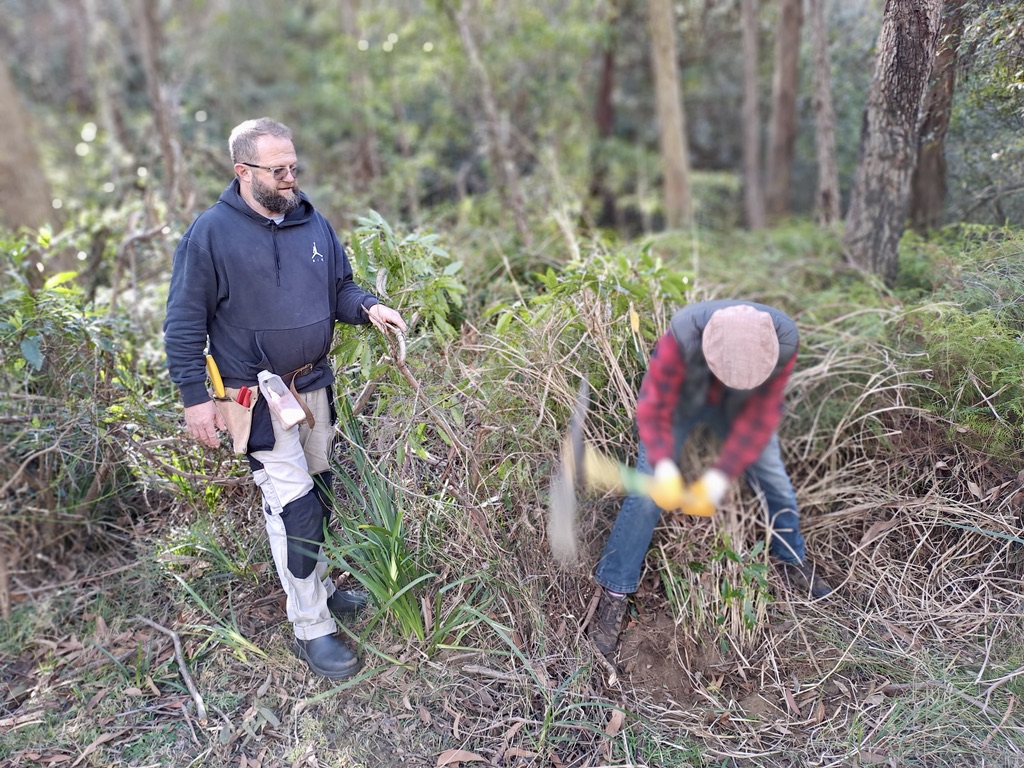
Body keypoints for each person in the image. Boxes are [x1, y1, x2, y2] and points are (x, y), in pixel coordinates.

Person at [163, 117, 406, 679]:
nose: (290, 177)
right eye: (278, 169)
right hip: (256, 396)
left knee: (317, 498)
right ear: (243, 171)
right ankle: (311, 627)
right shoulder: (211, 234)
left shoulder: (312, 223)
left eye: (293, 165)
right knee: (293, 508)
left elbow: (339, 287)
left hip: (312, 385)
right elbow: (183, 324)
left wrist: (369, 307)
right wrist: (194, 399)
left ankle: (317, 589)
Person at [588, 299, 832, 656]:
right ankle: (614, 590)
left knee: (773, 478)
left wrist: (720, 475)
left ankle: (791, 558)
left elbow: (760, 416)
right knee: (648, 493)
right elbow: (655, 410)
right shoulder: (681, 339)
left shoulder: (784, 338)